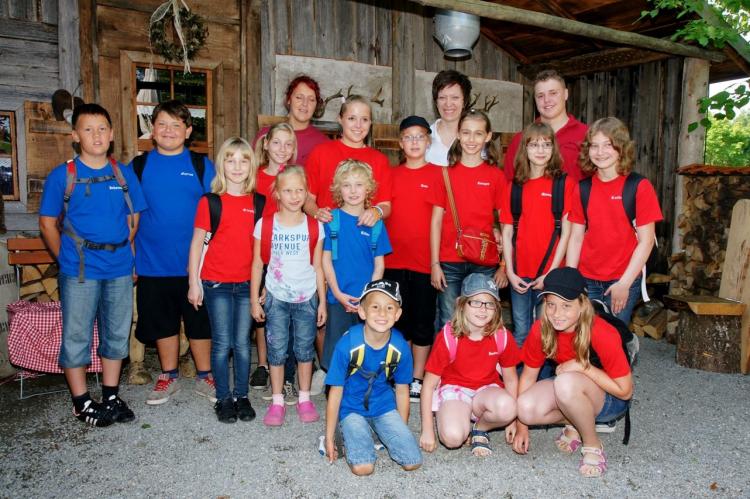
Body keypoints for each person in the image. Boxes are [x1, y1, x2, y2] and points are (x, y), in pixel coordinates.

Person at [39, 103, 147, 426]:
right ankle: (82, 402)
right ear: (75, 135)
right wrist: (66, 259)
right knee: (77, 336)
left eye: (102, 129)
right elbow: (47, 224)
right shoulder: (63, 175)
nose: (96, 135)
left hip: (119, 268)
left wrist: (122, 251)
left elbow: (133, 218)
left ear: (111, 134)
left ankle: (111, 396)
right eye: (88, 129)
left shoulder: (123, 174)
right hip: (80, 270)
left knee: (116, 334)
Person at [131, 100, 216, 406]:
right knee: (162, 321)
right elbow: (128, 216)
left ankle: (206, 375)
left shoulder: (202, 166)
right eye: (162, 124)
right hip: (152, 263)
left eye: (176, 125)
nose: (169, 131)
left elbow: (217, 211)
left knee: (200, 321)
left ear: (188, 130)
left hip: (196, 265)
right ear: (152, 130)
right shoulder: (137, 167)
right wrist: (130, 257)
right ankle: (169, 375)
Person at [512, 267, 634, 477]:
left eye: (566, 305)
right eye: (551, 304)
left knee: (565, 383)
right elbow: (528, 376)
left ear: (582, 305)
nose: (557, 314)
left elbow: (625, 392)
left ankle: (592, 444)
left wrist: (583, 366)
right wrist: (521, 425)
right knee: (525, 408)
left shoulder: (601, 331)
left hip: (610, 399)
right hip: (572, 387)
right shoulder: (542, 328)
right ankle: (575, 421)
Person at [187, 137, 257, 424]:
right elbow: (196, 243)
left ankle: (242, 395)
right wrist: (193, 282)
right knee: (222, 343)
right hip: (216, 283)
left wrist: (263, 286)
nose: (237, 167)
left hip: (247, 285)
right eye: (231, 160)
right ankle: (223, 398)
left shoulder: (258, 203)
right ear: (221, 165)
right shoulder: (210, 202)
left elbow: (263, 250)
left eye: (243, 160)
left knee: (242, 343)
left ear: (251, 165)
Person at [566, 117, 663, 325]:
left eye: (608, 145)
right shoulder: (582, 189)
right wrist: (571, 278)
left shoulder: (638, 186)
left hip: (623, 277)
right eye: (594, 146)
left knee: (614, 335)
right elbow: (576, 237)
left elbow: (646, 241)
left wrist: (625, 283)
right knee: (584, 335)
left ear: (621, 148)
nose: (600, 152)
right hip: (587, 277)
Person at [250, 165, 326, 426]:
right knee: (277, 349)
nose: (295, 196)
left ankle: (304, 398)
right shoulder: (265, 224)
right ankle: (277, 401)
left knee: (304, 350)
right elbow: (257, 264)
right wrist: (254, 299)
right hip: (276, 297)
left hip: (307, 298)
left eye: (300, 190)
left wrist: (322, 303)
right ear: (277, 193)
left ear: (307, 193)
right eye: (288, 191)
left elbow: (318, 267)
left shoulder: (314, 226)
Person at [323, 279, 422, 475]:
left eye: (389, 308)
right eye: (375, 307)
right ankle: (346, 430)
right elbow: (335, 391)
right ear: (362, 311)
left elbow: (402, 390)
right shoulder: (347, 344)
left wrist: (399, 431)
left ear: (398, 314)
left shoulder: (400, 347)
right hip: (351, 407)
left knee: (412, 461)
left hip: (383, 406)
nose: (382, 313)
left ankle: (372, 431)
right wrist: (328, 436)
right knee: (363, 468)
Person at [419, 274, 520, 457]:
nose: (483, 309)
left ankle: (480, 428)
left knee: (509, 407)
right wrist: (427, 429)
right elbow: (428, 384)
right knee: (452, 438)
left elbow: (511, 380)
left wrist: (512, 421)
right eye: (476, 302)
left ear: (497, 308)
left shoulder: (502, 336)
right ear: (461, 304)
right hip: (455, 389)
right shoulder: (448, 336)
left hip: (486, 391)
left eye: (489, 304)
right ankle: (455, 416)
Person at [429, 109, 507, 328]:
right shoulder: (444, 174)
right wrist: (434, 263)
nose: (471, 139)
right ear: (458, 134)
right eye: (466, 132)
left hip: (485, 261)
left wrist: (504, 265)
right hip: (449, 260)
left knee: (483, 322)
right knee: (448, 320)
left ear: (488, 136)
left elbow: (505, 223)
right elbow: (435, 222)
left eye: (478, 133)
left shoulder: (496, 176)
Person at [500, 123, 575, 347]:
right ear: (525, 149)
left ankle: (548, 372)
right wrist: (509, 271)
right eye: (534, 145)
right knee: (522, 331)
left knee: (547, 332)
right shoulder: (514, 187)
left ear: (554, 149)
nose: (540, 150)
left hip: (551, 273)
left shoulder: (564, 184)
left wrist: (551, 274)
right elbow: (507, 232)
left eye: (546, 145)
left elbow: (566, 233)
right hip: (520, 273)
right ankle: (521, 371)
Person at [383, 115, 439, 403]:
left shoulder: (439, 175)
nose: (414, 142)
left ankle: (417, 377)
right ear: (400, 143)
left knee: (422, 321)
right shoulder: (390, 175)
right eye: (408, 137)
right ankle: (401, 373)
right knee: (398, 321)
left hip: (424, 262)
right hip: (393, 261)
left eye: (420, 137)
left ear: (428, 142)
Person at [320, 160, 392, 373]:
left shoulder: (375, 224)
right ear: (338, 189)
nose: (353, 191)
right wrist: (337, 293)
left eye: (359, 185)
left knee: (365, 350)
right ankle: (334, 385)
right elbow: (325, 261)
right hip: (338, 298)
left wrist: (367, 297)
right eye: (347, 185)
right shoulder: (331, 220)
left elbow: (379, 266)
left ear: (368, 188)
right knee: (337, 351)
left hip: (366, 301)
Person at [249, 122, 301, 402]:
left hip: (285, 256)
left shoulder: (294, 178)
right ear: (266, 144)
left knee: (284, 316)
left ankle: (286, 373)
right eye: (277, 142)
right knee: (262, 312)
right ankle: (263, 364)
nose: (282, 148)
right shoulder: (253, 175)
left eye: (288, 143)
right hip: (256, 252)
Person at [304, 95, 392, 227]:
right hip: (328, 232)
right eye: (352, 118)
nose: (358, 125)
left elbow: (385, 205)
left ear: (370, 122)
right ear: (340, 119)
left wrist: (376, 212)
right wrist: (316, 212)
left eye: (364, 119)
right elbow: (308, 198)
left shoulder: (380, 160)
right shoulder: (320, 152)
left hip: (364, 234)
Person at [503, 70, 588, 182]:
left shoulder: (586, 135)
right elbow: (509, 184)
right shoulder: (520, 139)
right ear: (535, 99)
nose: (547, 100)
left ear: (566, 94)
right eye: (540, 96)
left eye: (553, 93)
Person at [252, 75, 329, 167]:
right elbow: (252, 171)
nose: (305, 104)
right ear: (288, 99)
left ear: (316, 105)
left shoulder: (323, 143)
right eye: (299, 97)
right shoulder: (266, 134)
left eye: (311, 100)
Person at [425, 70, 472, 166]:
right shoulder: (425, 137)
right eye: (442, 98)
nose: (448, 104)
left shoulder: (475, 139)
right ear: (436, 102)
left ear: (464, 101)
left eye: (455, 97)